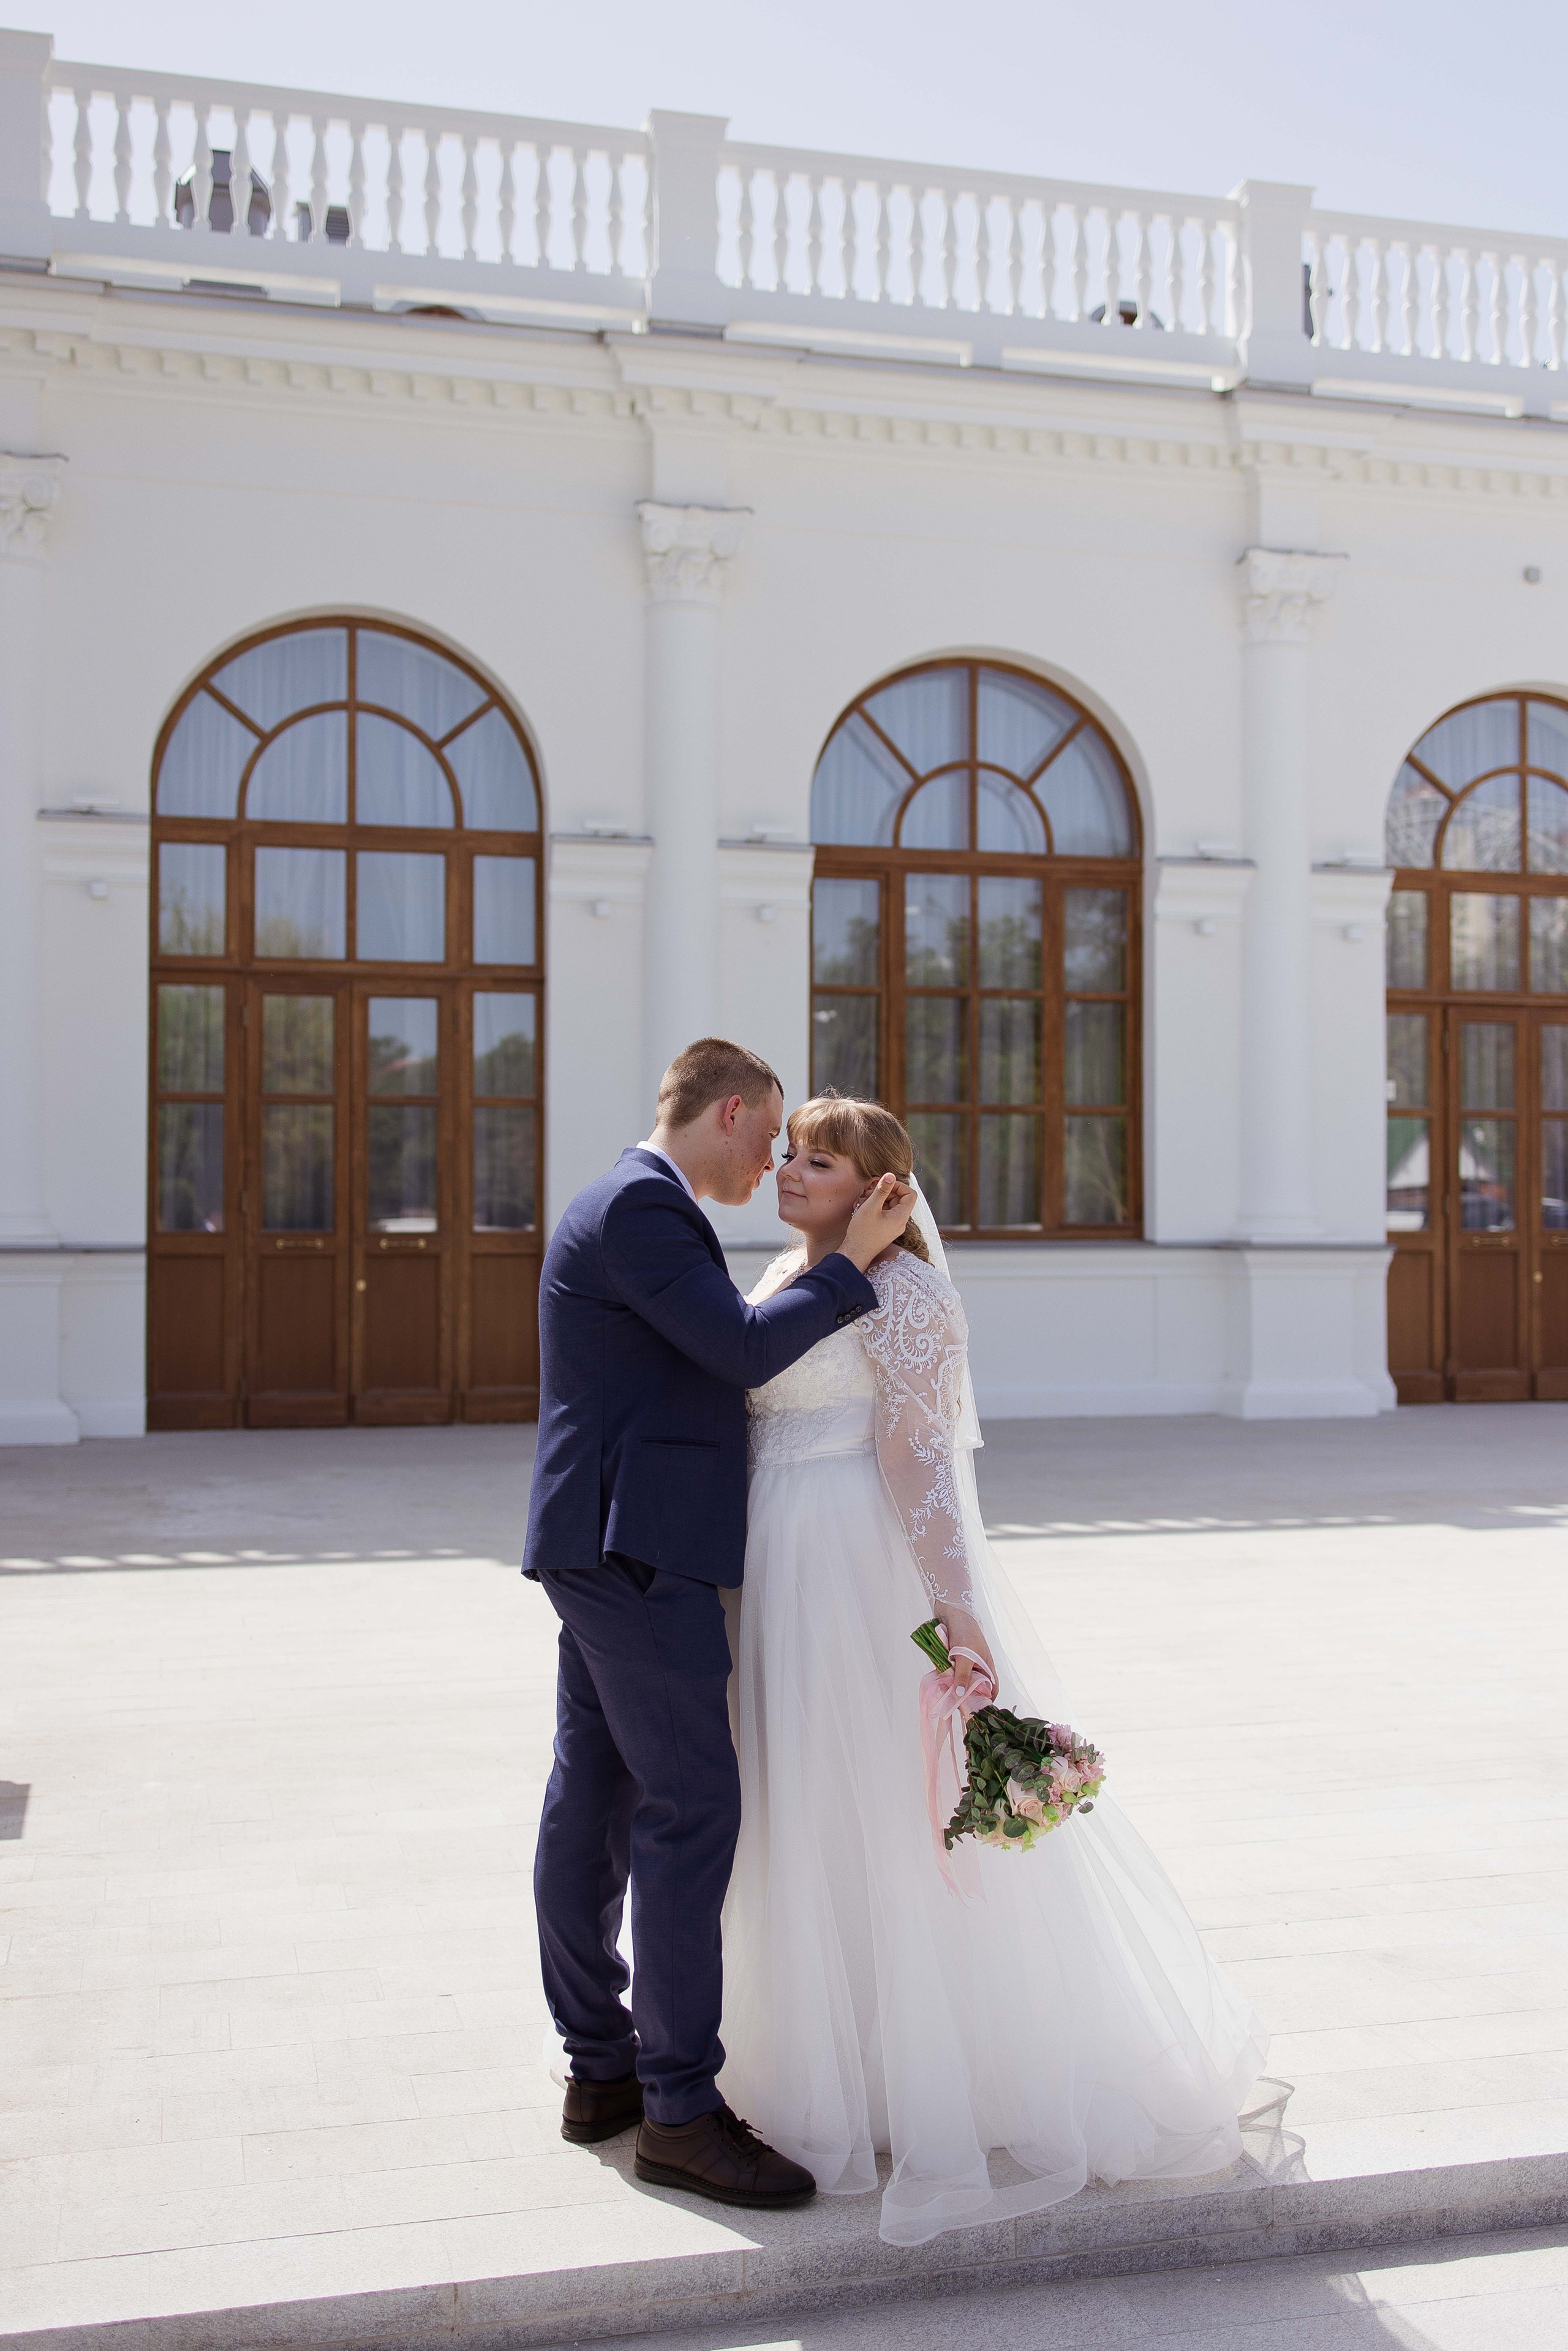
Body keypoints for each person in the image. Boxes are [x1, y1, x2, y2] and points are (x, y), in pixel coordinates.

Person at [718, 1093, 1270, 2247]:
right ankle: (808, 2051)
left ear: (882, 1189)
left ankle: (922, 2073)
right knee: (795, 1799)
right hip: (769, 1556)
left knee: (876, 1798)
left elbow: (919, 1455)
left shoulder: (910, 1294)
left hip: (848, 1561)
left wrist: (956, 1613)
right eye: (790, 1151)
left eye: (818, 1159)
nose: (790, 1168)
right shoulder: (783, 1272)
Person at [524, 1040, 915, 2210]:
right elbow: (742, 1350)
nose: (778, 1162)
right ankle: (681, 2111)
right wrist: (851, 1263)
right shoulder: (643, 1208)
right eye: (776, 1136)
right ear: (730, 1110)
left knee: (595, 1796)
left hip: (611, 1539)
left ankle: (603, 2074)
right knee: (692, 1807)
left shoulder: (636, 1203)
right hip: (634, 1549)